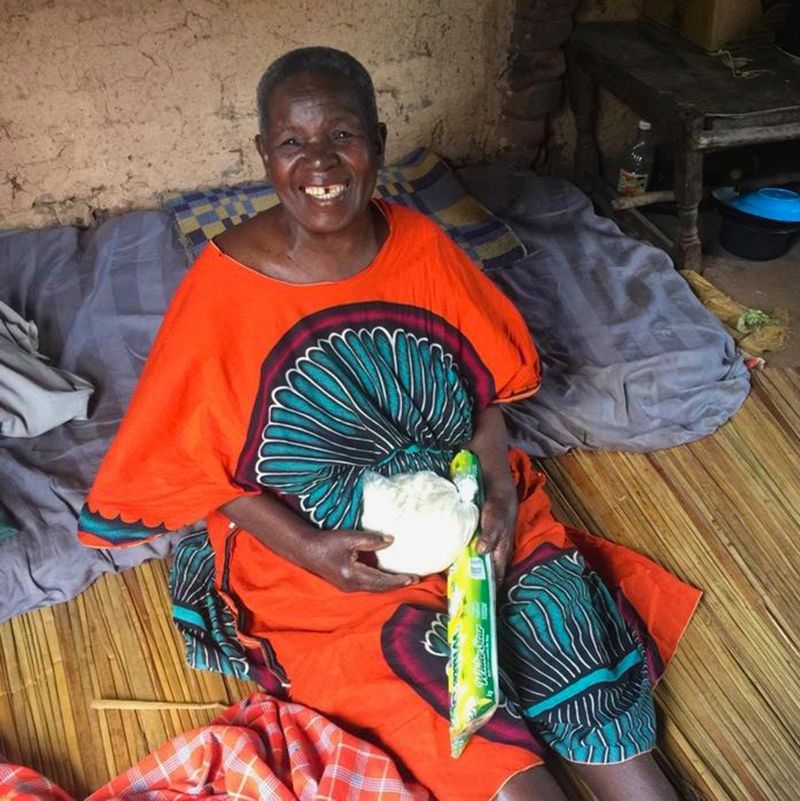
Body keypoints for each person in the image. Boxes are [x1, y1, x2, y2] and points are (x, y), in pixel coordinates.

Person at [78, 47, 699, 801]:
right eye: (292, 142)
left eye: (340, 136)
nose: (319, 163)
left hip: (468, 499)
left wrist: (498, 490)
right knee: (497, 767)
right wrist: (310, 547)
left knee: (588, 687)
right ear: (263, 155)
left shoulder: (422, 246)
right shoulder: (223, 289)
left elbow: (480, 390)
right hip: (315, 556)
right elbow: (196, 468)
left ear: (375, 138)